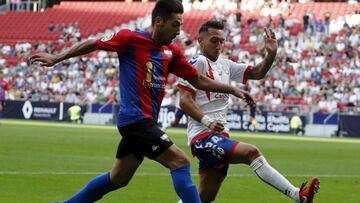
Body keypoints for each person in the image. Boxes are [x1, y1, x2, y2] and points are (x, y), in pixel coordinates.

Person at [29, 1, 253, 202]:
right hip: (135, 120)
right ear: (159, 21)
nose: (179, 31)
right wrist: (58, 58)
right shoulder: (130, 39)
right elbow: (93, 43)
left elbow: (198, 79)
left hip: (145, 123)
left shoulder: (172, 52)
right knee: (180, 162)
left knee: (118, 178)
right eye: (175, 25)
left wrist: (231, 89)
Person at [177, 20, 320, 203]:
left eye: (222, 41)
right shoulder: (198, 62)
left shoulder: (225, 65)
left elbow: (257, 73)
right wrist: (208, 122)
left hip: (220, 137)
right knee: (251, 153)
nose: (219, 45)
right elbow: (184, 100)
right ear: (200, 40)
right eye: (214, 40)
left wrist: (271, 55)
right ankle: (298, 196)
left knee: (203, 198)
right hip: (203, 138)